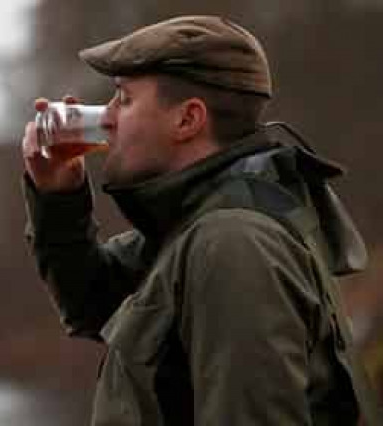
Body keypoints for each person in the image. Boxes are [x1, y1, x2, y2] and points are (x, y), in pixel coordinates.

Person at [21, 15, 381, 425]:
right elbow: (93, 302)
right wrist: (58, 198)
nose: (105, 118)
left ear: (187, 120)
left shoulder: (233, 241)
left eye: (124, 98)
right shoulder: (198, 220)